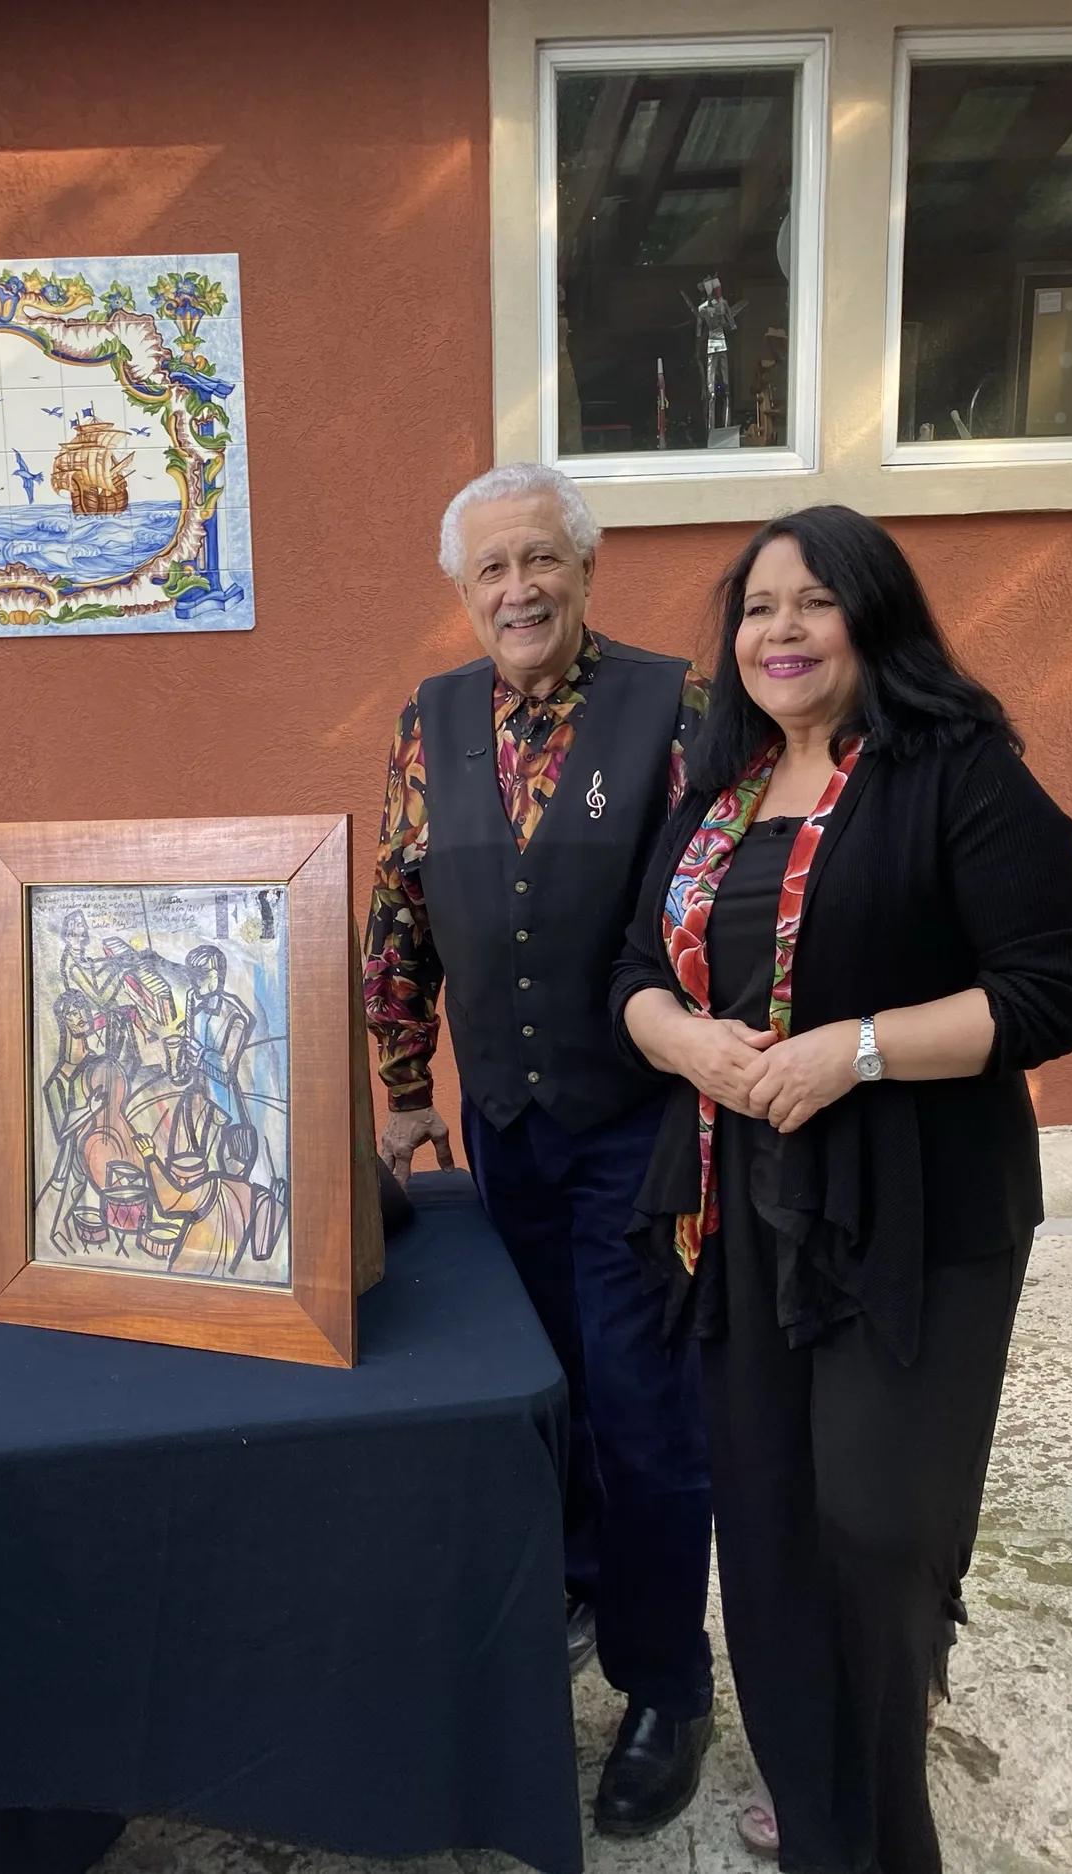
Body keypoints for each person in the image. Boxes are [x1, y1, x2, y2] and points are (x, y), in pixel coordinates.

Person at [611, 506, 1072, 1871]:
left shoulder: (958, 771)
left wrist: (859, 1051)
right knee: (770, 1536)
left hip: (916, 1211)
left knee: (879, 1533)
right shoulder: (718, 796)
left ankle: (884, 1830)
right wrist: (690, 1043)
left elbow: (1057, 989)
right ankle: (821, 1816)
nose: (780, 631)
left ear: (873, 618)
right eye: (757, 608)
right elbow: (634, 976)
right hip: (743, 1209)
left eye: (813, 602)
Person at [365, 461, 717, 1838]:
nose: (517, 590)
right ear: (464, 593)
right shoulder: (431, 718)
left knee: (643, 1407)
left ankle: (668, 1683)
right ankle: (578, 1581)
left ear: (586, 569)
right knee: (542, 1390)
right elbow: (400, 910)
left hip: (637, 1125)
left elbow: (717, 912)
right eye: (490, 571)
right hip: (506, 1128)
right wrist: (405, 1087)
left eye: (539, 561)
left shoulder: (677, 709)